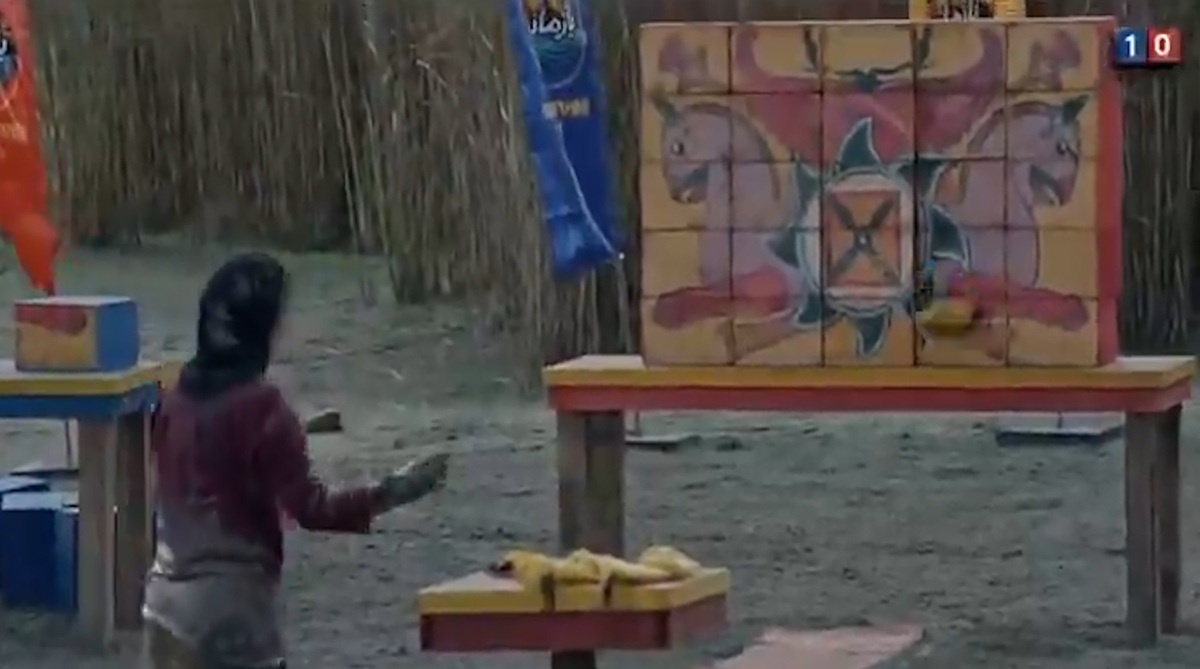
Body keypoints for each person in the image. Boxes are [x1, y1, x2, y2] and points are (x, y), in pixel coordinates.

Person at [142, 252, 449, 669]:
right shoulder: (263, 408)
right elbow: (313, 508)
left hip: (162, 608)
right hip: (232, 611)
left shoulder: (173, 400)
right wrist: (392, 491)